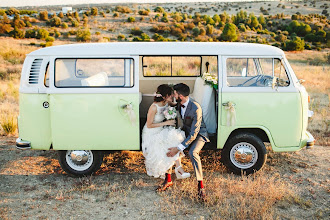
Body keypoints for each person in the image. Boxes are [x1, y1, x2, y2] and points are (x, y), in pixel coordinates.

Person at [161, 83, 209, 201]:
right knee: (169, 143)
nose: (173, 95)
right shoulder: (178, 104)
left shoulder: (195, 108)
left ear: (181, 96)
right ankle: (168, 179)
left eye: (175, 94)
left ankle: (201, 187)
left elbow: (194, 133)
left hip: (199, 134)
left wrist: (179, 148)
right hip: (185, 133)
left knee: (193, 153)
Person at [142, 84, 190, 180]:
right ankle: (179, 168)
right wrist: (167, 122)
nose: (172, 96)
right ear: (164, 97)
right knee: (170, 141)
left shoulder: (166, 103)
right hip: (151, 133)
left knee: (175, 137)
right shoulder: (154, 107)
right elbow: (149, 125)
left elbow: (175, 105)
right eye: (170, 94)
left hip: (160, 130)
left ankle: (178, 167)